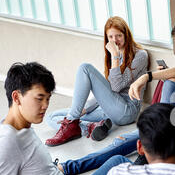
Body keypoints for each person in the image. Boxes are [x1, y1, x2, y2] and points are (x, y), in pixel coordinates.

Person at [55, 15, 175, 175]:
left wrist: (148, 76)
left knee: (170, 82)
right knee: (124, 140)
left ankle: (147, 152)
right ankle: (70, 166)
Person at [45, 16, 149, 146]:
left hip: (126, 110)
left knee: (85, 68)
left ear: (126, 35)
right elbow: (105, 90)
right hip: (108, 109)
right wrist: (85, 109)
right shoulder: (114, 54)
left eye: (119, 36)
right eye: (110, 37)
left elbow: (115, 87)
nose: (115, 41)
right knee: (51, 117)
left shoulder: (140, 55)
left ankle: (73, 123)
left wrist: (115, 56)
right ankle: (90, 127)